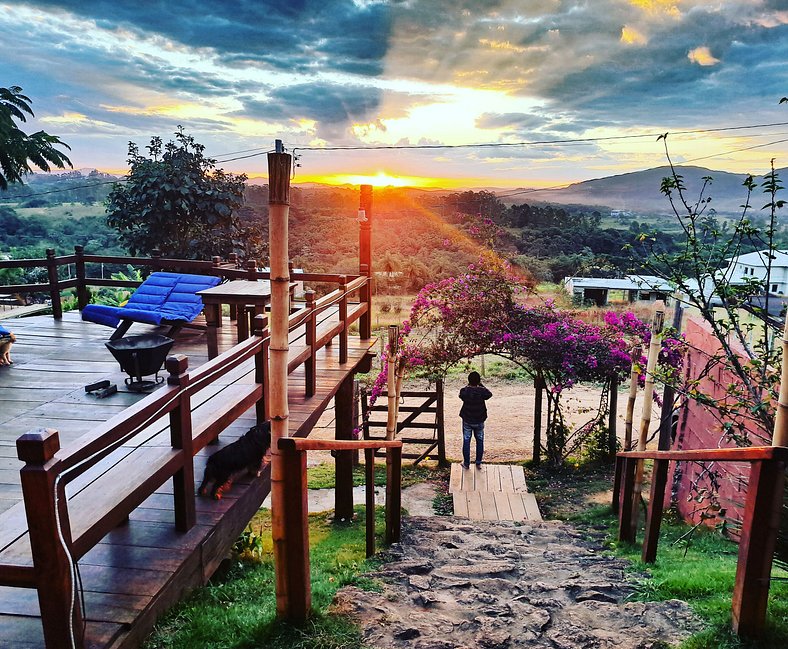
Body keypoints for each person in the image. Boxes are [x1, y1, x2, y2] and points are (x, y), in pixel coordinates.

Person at [459, 371, 492, 469]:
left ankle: (466, 463)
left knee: (466, 441)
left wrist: (470, 385)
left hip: (467, 419)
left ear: (468, 380)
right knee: (480, 440)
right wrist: (480, 384)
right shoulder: (482, 391)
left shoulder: (464, 391)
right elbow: (489, 394)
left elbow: (461, 395)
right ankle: (478, 462)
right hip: (479, 419)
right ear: (478, 381)